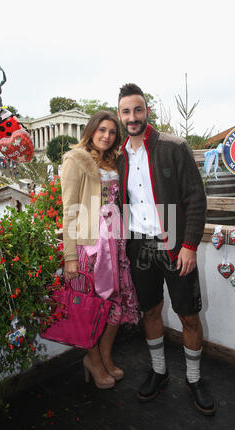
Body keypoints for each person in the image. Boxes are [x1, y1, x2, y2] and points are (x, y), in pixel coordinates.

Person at [116, 83, 216, 415]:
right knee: (151, 312)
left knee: (189, 315)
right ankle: (159, 371)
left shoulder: (174, 147)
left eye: (138, 109)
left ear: (147, 111)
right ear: (120, 116)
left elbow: (196, 199)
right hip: (139, 246)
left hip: (173, 241)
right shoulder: (119, 157)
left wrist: (188, 246)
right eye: (126, 111)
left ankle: (194, 378)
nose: (133, 117)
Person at [61, 110, 140, 390]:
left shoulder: (113, 161)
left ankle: (105, 356)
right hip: (89, 245)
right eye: (102, 130)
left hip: (115, 241)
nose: (106, 136)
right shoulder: (76, 160)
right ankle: (92, 361)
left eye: (112, 132)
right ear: (92, 130)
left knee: (116, 301)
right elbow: (70, 210)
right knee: (91, 305)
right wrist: (70, 256)